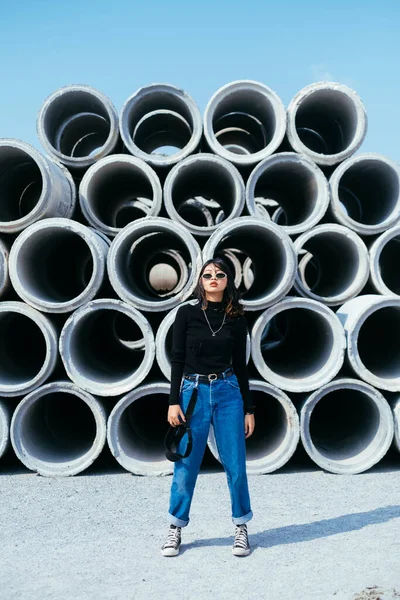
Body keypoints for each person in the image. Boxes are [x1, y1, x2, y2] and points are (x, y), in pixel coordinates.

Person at [161, 257, 255, 557]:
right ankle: (175, 528)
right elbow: (177, 358)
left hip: (228, 392)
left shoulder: (237, 317)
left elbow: (240, 364)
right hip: (193, 393)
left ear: (228, 281)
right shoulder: (186, 314)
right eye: (207, 275)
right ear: (201, 281)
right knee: (186, 466)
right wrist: (173, 401)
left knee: (236, 464)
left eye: (220, 274)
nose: (213, 278)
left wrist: (248, 408)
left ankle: (241, 527)